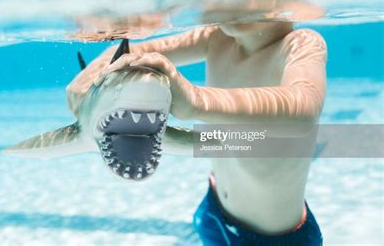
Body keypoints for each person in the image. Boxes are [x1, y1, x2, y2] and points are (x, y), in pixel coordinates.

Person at [66, 20, 327, 245]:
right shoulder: (218, 36)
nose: (222, 2)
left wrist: (196, 100)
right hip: (213, 208)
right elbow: (132, 52)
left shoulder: (301, 44)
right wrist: (93, 80)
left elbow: (302, 110)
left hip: (275, 241)